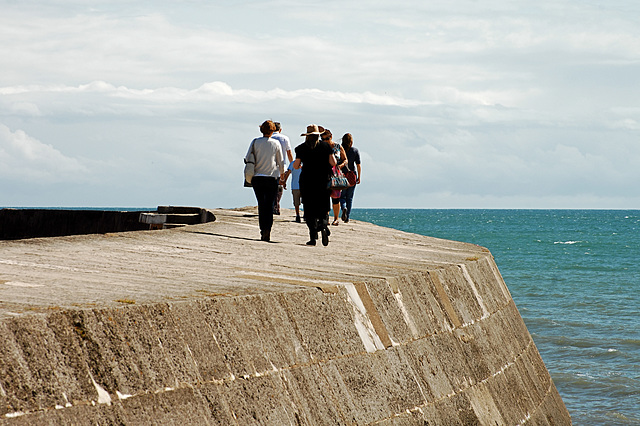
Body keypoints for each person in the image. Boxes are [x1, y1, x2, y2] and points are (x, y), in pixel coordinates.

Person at [293, 124, 337, 246]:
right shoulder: (325, 147)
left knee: (309, 208)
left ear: (307, 136)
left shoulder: (301, 148)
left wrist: (301, 164)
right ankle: (323, 225)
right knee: (323, 206)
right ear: (318, 135)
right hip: (323, 181)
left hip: (307, 182)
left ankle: (313, 237)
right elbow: (333, 162)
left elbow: (296, 165)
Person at [244, 120, 285, 242]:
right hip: (272, 178)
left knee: (261, 205)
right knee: (270, 205)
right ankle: (268, 230)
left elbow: (247, 158)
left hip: (257, 178)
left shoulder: (255, 142)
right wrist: (282, 177)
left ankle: (263, 230)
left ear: (261, 130)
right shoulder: (276, 143)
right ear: (273, 131)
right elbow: (281, 162)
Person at [321, 129, 347, 226]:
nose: (325, 140)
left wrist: (340, 166)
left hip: (335, 174)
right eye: (323, 139)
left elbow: (345, 160)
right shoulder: (321, 146)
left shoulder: (337, 146)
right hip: (324, 174)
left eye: (327, 138)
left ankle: (336, 218)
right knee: (324, 197)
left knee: (336, 197)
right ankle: (326, 217)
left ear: (331, 137)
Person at [271, 122, 293, 215]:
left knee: (271, 186)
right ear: (280, 130)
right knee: (280, 186)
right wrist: (291, 165)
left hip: (270, 165)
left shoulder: (270, 138)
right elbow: (289, 153)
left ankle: (273, 205)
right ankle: (276, 205)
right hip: (282, 165)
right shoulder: (285, 138)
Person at [339, 133, 361, 223]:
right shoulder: (355, 151)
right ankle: (347, 217)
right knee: (350, 197)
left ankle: (343, 207)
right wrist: (359, 177)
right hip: (352, 176)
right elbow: (358, 165)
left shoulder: (340, 150)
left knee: (342, 196)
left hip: (342, 175)